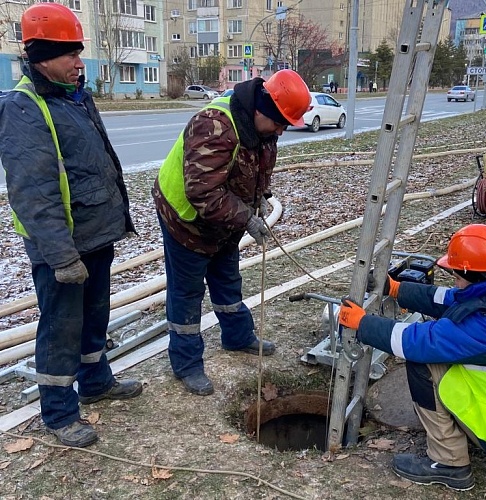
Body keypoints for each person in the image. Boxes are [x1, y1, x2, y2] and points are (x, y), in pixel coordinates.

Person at [0, 3, 142, 448]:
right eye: (69, 55)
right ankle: (59, 413)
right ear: (41, 56)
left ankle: (96, 380)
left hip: (96, 233)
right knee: (61, 326)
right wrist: (62, 256)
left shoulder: (75, 95)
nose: (79, 63)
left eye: (79, 53)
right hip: (62, 245)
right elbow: (33, 191)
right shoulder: (25, 107)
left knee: (94, 317)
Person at [339, 224, 486, 491]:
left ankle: (449, 464)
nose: (452, 279)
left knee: (424, 362)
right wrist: (397, 289)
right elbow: (451, 299)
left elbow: (417, 341)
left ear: (470, 274)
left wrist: (363, 324)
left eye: (454, 274)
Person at [152, 70, 311, 396]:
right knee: (187, 292)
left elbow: (257, 167)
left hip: (224, 219)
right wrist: (245, 217)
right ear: (262, 109)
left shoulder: (264, 129)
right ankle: (187, 363)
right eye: (281, 122)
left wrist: (261, 196)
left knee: (226, 278)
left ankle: (238, 337)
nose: (283, 129)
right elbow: (202, 193)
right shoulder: (214, 126)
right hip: (186, 221)